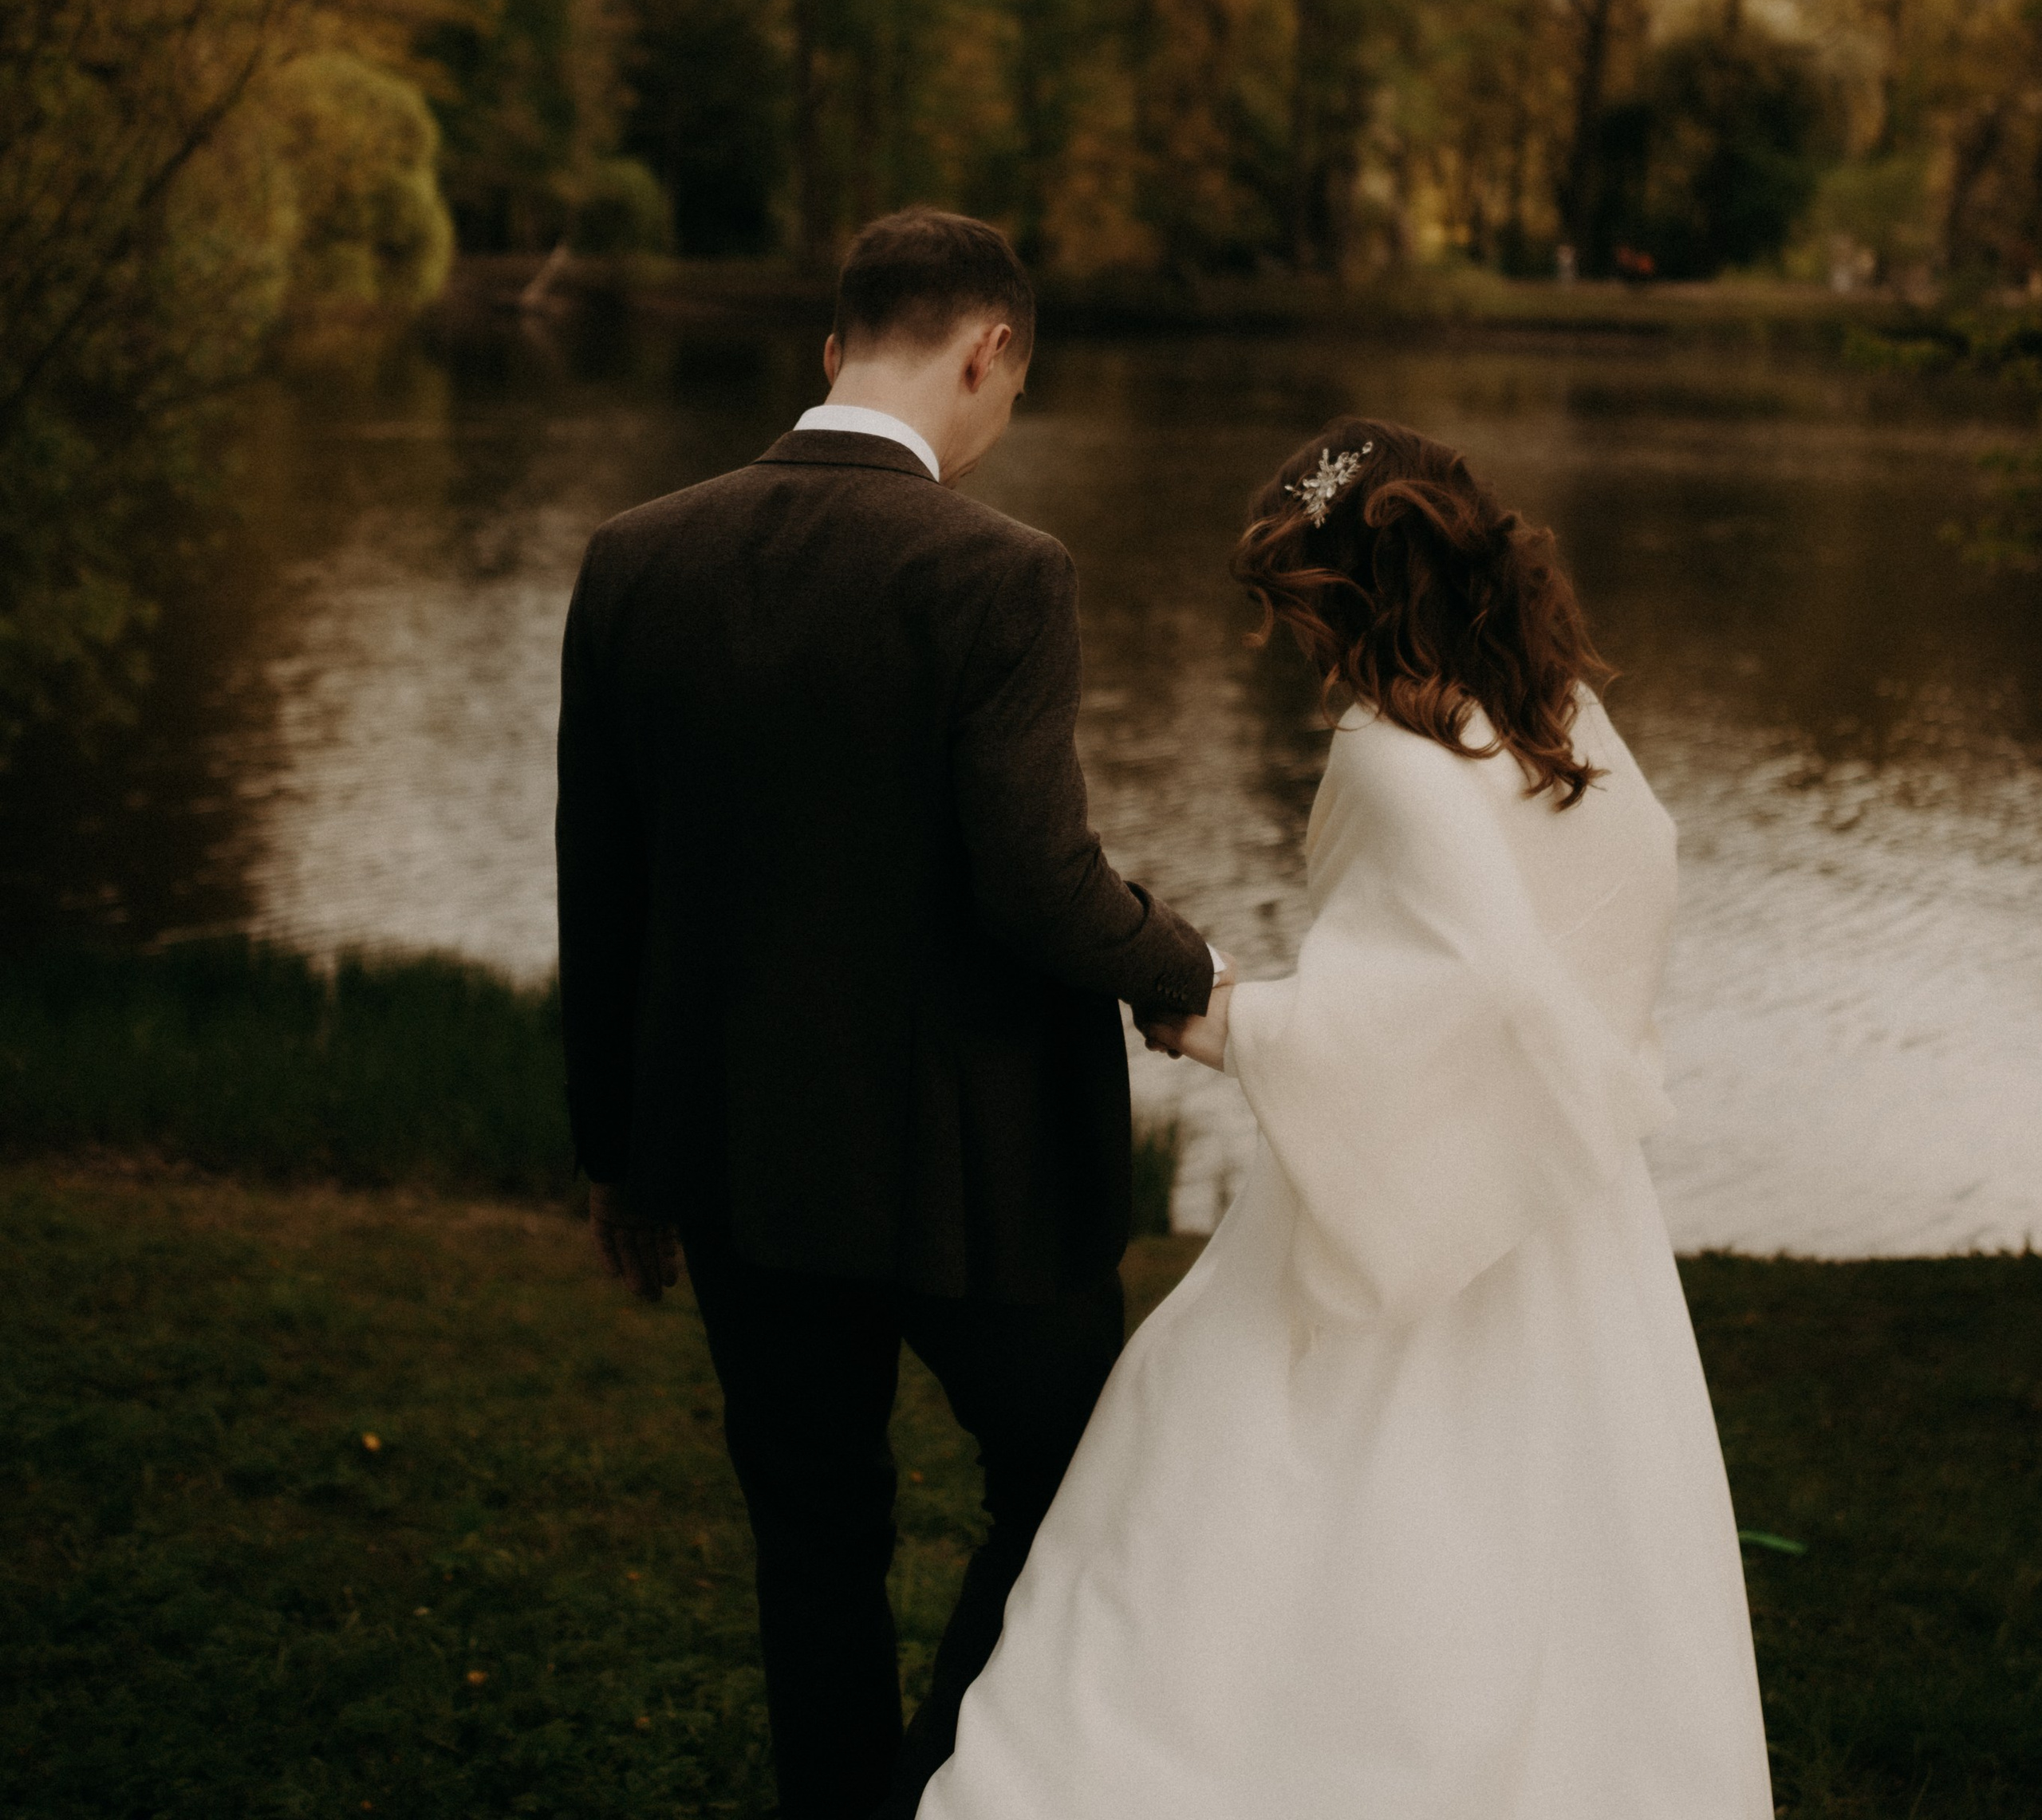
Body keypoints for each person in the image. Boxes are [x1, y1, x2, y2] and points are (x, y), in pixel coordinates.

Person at [921, 416, 1775, 1820]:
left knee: (1233, 1458)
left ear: (1343, 595)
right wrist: (1582, 1073)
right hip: (1565, 1197)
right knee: (1566, 1525)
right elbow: (1631, 890)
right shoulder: (1549, 715)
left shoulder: (1389, 748)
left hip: (1417, 1180)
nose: (1290, 647)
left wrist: (1235, 1023)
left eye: (1290, 612)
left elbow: (1470, 983)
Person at [554, 208, 1220, 1820]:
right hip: (966, 1176)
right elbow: (1036, 881)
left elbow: (602, 889)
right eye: (1010, 388)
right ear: (987, 350)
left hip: (733, 1160)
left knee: (813, 1528)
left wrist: (619, 1156)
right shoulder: (1001, 575)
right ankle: (950, 1780)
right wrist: (1182, 969)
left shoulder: (634, 555)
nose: (999, 424)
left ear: (832, 345)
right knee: (1071, 1478)